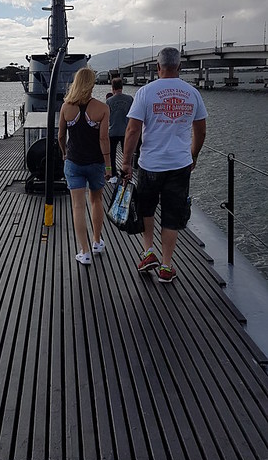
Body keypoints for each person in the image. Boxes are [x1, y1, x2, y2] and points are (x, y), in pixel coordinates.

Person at [121, 47, 207, 283]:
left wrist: (126, 162)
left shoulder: (145, 92)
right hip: (180, 164)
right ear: (179, 67)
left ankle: (148, 253)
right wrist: (194, 155)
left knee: (147, 208)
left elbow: (132, 130)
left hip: (150, 163)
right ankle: (166, 266)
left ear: (157, 67)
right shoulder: (192, 94)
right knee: (172, 214)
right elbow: (200, 130)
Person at [58, 67, 111, 265]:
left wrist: (64, 152)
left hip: (73, 162)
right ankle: (97, 241)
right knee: (96, 200)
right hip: (96, 162)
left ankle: (84, 251)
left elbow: (61, 136)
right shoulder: (102, 108)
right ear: (92, 84)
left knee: (77, 206)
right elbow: (104, 139)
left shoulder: (66, 107)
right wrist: (108, 166)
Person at [107, 77, 134, 183]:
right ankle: (127, 176)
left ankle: (113, 175)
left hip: (112, 131)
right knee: (127, 154)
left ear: (113, 88)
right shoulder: (130, 99)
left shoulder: (109, 101)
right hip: (126, 131)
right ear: (122, 87)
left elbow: (106, 117)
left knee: (112, 154)